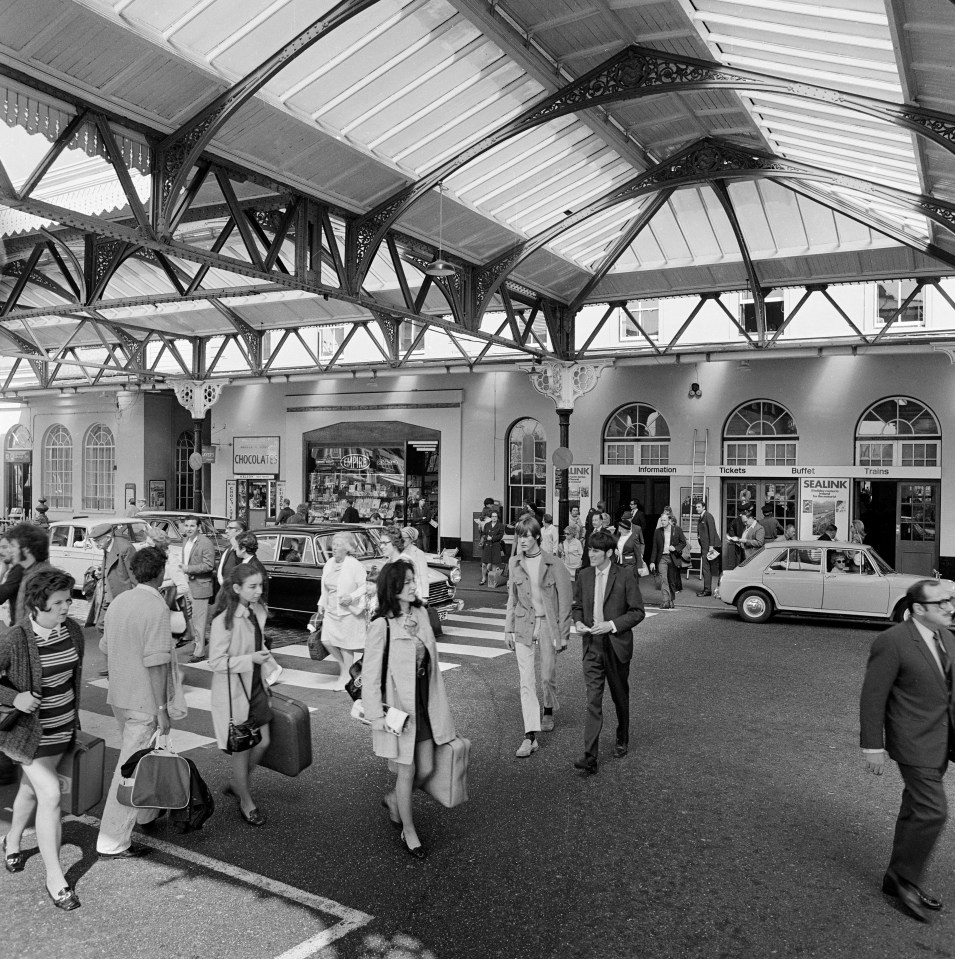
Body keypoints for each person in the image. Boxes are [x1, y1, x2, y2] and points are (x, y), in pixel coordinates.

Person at [860, 580, 955, 922]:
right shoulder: (892, 642)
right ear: (918, 608)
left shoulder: (946, 637)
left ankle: (893, 877)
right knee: (933, 811)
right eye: (941, 602)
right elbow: (873, 697)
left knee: (916, 807)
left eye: (951, 600)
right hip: (912, 742)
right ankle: (905, 881)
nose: (950, 607)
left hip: (942, 739)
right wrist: (873, 746)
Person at [0, 568, 84, 910]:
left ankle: (12, 840)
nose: (66, 607)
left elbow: (70, 681)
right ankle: (55, 877)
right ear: (37, 604)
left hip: (61, 730)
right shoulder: (16, 638)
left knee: (31, 789)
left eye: (68, 600)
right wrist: (12, 698)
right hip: (25, 736)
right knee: (50, 794)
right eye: (58, 602)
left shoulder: (74, 631)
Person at [362, 560, 457, 860]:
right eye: (408, 580)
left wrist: (417, 633)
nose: (415, 584)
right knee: (408, 769)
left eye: (414, 579)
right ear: (394, 587)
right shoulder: (381, 625)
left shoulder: (420, 613)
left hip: (425, 700)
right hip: (400, 707)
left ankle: (393, 800)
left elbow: (431, 658)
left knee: (426, 767)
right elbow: (371, 674)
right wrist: (376, 715)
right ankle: (409, 829)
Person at [95, 547, 172, 860]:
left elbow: (104, 648)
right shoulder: (157, 608)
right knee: (128, 770)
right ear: (159, 573)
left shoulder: (120, 602)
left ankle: (145, 815)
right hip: (143, 701)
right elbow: (157, 664)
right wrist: (163, 709)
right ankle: (112, 839)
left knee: (137, 763)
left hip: (120, 696)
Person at [571, 531, 646, 774]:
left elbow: (637, 611)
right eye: (589, 549)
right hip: (592, 646)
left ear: (610, 553)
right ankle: (589, 757)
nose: (590, 554)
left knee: (619, 697)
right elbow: (578, 606)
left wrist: (611, 625)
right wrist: (579, 623)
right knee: (593, 701)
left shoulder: (624, 575)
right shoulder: (583, 575)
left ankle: (622, 737)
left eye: (595, 550)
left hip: (616, 647)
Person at [209, 564, 276, 827]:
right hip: (236, 691)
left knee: (263, 742)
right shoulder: (223, 620)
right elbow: (216, 662)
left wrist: (267, 671)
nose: (259, 591)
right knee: (243, 748)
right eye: (253, 586)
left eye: (261, 585)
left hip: (257, 686)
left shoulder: (257, 610)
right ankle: (246, 799)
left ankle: (239, 784)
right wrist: (250, 659)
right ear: (237, 589)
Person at [505, 516, 572, 757]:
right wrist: (508, 629)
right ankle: (529, 736)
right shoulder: (514, 563)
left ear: (536, 537)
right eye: (518, 535)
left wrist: (563, 634)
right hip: (523, 623)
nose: (521, 540)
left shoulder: (554, 564)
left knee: (546, 674)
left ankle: (549, 708)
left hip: (547, 624)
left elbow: (565, 602)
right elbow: (511, 599)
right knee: (526, 680)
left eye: (525, 535)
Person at [319, 532, 368, 690]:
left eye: (338, 545)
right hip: (331, 611)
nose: (334, 548)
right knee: (326, 640)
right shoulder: (329, 563)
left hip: (347, 611)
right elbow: (325, 587)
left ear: (347, 548)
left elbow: (365, 586)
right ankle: (343, 667)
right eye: (333, 544)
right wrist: (321, 603)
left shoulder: (354, 564)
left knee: (346, 645)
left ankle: (346, 674)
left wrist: (351, 596)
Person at [87, 522, 137, 631]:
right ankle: (114, 646)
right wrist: (101, 573)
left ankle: (117, 646)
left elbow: (135, 576)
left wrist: (134, 600)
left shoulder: (125, 548)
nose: (96, 544)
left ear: (108, 537)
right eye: (94, 541)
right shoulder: (108, 546)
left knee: (118, 628)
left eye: (98, 540)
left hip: (122, 597)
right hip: (108, 597)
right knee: (101, 625)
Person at [179, 516, 216, 664]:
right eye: (186, 526)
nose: (188, 529)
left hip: (200, 585)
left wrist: (189, 569)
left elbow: (209, 565)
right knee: (192, 618)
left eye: (192, 526)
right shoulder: (185, 541)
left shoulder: (205, 543)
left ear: (199, 527)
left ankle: (199, 652)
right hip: (188, 584)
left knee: (200, 621)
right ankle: (199, 642)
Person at [7, 522, 54, 627]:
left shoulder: (40, 577)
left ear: (26, 549)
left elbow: (33, 622)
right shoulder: (29, 572)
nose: (10, 550)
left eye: (13, 546)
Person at [649, 511, 687, 610]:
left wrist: (675, 548)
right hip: (662, 558)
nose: (662, 522)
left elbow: (683, 543)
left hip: (673, 557)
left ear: (670, 520)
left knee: (671, 581)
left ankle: (671, 600)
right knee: (663, 579)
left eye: (664, 520)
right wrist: (652, 561)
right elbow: (655, 547)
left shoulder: (677, 530)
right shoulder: (658, 531)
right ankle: (666, 601)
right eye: (661, 520)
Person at [234, 531, 270, 604]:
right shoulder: (247, 563)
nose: (235, 549)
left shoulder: (255, 567)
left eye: (236, 547)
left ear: (243, 549)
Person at [695, 500, 721, 598]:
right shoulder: (702, 516)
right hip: (705, 546)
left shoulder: (708, 516)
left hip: (708, 546)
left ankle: (707, 590)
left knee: (706, 568)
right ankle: (707, 589)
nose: (697, 508)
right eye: (696, 507)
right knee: (706, 568)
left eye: (698, 507)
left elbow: (712, 531)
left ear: (703, 507)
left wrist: (711, 546)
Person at [400, 527, 431, 605]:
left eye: (405, 538)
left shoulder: (418, 553)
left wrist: (424, 596)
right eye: (401, 538)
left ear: (411, 539)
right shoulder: (398, 551)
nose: (402, 540)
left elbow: (423, 575)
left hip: (415, 591)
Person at [217, 520, 248, 586]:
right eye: (226, 528)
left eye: (230, 528)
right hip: (225, 589)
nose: (226, 531)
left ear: (239, 531)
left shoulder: (242, 549)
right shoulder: (228, 547)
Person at [479, 510, 505, 586]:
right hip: (487, 546)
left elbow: (500, 536)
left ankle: (492, 581)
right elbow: (483, 534)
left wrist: (492, 538)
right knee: (484, 564)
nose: (494, 518)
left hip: (495, 546)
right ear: (491, 517)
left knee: (494, 564)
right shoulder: (487, 525)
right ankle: (483, 578)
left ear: (497, 517)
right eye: (493, 516)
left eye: (495, 516)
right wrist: (486, 537)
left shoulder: (501, 525)